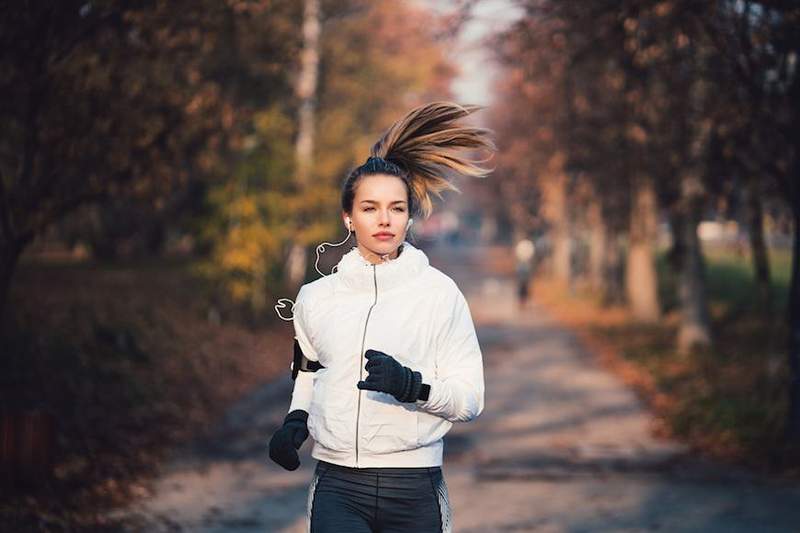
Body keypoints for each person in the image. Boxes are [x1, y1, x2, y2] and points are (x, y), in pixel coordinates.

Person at [268, 102, 495, 533]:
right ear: (348, 218)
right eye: (370, 208)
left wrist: (412, 386)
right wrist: (296, 419)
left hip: (414, 487)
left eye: (396, 208)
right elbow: (309, 370)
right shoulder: (316, 298)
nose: (384, 220)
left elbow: (471, 398)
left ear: (410, 217)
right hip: (337, 487)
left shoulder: (439, 294)